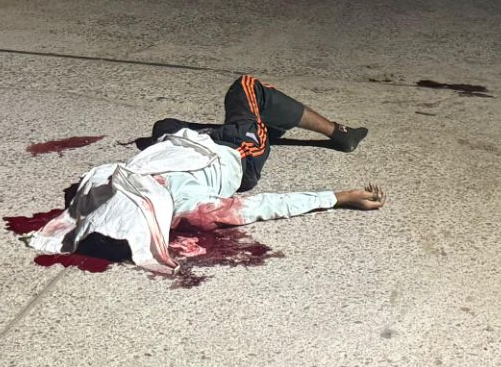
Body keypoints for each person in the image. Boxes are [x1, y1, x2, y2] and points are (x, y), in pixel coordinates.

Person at [24, 76, 382, 270]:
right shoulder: (191, 206)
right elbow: (265, 206)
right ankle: (339, 134)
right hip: (236, 152)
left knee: (164, 125)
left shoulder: (107, 185)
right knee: (247, 87)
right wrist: (339, 197)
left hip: (186, 142)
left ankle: (264, 122)